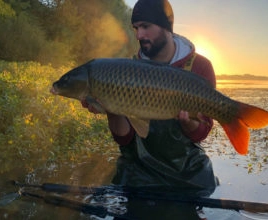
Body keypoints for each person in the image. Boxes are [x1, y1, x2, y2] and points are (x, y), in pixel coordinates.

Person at [82, 0, 218, 218]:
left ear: (166, 27)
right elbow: (125, 139)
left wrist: (189, 123)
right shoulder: (126, 70)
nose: (138, 35)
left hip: (184, 170)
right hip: (139, 170)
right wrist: (112, 107)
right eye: (136, 28)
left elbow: (202, 131)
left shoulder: (199, 67)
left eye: (145, 26)